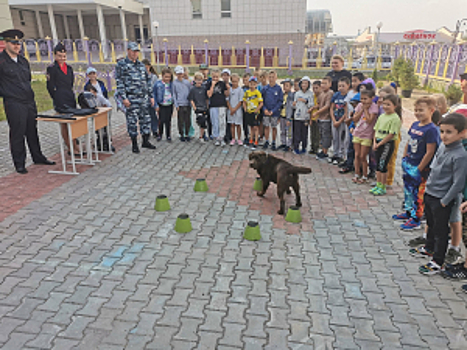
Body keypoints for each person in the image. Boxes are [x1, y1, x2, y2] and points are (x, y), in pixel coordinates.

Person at [411, 113, 467, 275]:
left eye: (449, 132)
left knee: (441, 231)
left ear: (462, 133)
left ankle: (438, 261)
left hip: (442, 199)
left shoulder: (461, 155)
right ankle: (429, 247)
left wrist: (445, 200)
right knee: (431, 223)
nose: (444, 136)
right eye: (442, 131)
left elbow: (458, 183)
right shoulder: (442, 147)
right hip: (430, 193)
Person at [0, 29, 55, 174]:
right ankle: (19, 163)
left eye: (18, 43)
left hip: (28, 101)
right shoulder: (1, 61)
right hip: (14, 102)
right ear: (5, 43)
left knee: (32, 130)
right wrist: (8, 93)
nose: (17, 45)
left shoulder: (23, 61)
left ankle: (38, 157)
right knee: (18, 132)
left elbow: (27, 80)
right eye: (13, 43)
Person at [392, 97, 439, 230]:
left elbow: (430, 152)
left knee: (418, 193)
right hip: (409, 163)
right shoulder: (414, 125)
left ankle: (416, 218)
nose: (418, 113)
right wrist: (404, 157)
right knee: (408, 190)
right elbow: (409, 141)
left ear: (431, 111)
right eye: (416, 110)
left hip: (420, 167)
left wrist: (419, 168)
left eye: (421, 110)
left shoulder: (431, 130)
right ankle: (408, 212)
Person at [116, 42, 155, 153]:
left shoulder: (141, 65)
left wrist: (151, 96)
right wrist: (124, 98)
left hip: (143, 98)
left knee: (146, 120)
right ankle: (134, 144)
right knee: (132, 122)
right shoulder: (121, 65)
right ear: (128, 50)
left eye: (136, 51)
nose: (135, 53)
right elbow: (120, 82)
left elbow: (147, 81)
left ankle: (145, 141)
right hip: (131, 98)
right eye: (133, 51)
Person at [47, 42, 79, 154]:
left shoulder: (69, 68)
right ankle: (70, 147)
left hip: (69, 97)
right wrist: (56, 98)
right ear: (55, 55)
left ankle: (75, 145)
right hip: (60, 98)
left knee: (73, 122)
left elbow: (71, 82)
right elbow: (50, 86)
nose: (62, 58)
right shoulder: (52, 68)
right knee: (64, 123)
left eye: (64, 56)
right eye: (60, 56)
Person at [370, 94, 402, 196]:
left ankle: (383, 186)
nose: (385, 106)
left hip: (387, 143)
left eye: (388, 104)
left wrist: (380, 143)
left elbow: (391, 134)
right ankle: (378, 184)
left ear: (395, 106)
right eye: (384, 104)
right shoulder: (382, 116)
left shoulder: (395, 118)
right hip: (378, 142)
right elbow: (375, 130)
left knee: (383, 165)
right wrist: (375, 142)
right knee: (378, 165)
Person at [339, 72, 365, 172]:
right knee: (350, 147)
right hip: (353, 126)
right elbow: (351, 111)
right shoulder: (353, 94)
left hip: (363, 130)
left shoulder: (365, 98)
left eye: (356, 81)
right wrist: (349, 121)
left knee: (360, 151)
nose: (354, 83)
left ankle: (360, 167)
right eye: (352, 81)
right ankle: (349, 164)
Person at [351, 89, 378, 184]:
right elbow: (354, 118)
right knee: (357, 155)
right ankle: (357, 173)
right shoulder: (359, 106)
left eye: (365, 99)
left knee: (363, 156)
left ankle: (365, 175)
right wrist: (361, 109)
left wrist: (366, 109)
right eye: (362, 99)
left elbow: (370, 120)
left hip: (367, 135)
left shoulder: (374, 107)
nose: (363, 101)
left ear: (372, 98)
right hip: (357, 133)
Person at [84, 67, 114, 152]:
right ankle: (100, 141)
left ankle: (108, 142)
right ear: (88, 75)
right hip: (95, 108)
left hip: (104, 106)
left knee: (107, 126)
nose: (93, 75)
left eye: (94, 73)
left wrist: (105, 104)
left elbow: (105, 95)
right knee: (98, 127)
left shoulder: (100, 83)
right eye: (90, 74)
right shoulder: (87, 86)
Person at [330, 77, 350, 165]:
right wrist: (334, 120)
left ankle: (341, 155)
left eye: (343, 86)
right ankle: (335, 154)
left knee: (342, 138)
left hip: (342, 121)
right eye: (339, 86)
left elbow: (346, 111)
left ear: (348, 86)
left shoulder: (348, 96)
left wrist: (339, 121)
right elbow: (331, 108)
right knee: (335, 137)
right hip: (335, 119)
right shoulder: (336, 95)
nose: (341, 87)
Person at [261, 70, 283, 151]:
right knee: (266, 126)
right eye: (270, 77)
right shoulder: (265, 88)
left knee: (274, 127)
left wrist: (273, 110)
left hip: (275, 112)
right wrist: (264, 109)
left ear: (276, 78)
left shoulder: (278, 89)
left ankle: (273, 142)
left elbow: (280, 101)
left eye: (273, 77)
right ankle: (266, 141)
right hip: (266, 111)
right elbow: (261, 100)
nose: (271, 79)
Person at [292, 76, 314, 155]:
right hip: (297, 116)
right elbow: (295, 105)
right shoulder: (297, 93)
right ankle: (296, 147)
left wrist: (306, 101)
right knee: (297, 133)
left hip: (305, 116)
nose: (304, 85)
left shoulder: (310, 94)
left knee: (304, 133)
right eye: (303, 83)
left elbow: (311, 105)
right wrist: (294, 104)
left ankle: (304, 147)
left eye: (306, 83)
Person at [207, 69, 229, 146]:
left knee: (222, 122)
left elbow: (227, 94)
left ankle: (222, 137)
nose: (215, 78)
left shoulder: (222, 84)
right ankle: (216, 137)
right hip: (213, 105)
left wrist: (227, 86)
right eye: (214, 77)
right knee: (215, 122)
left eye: (217, 77)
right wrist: (212, 85)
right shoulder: (209, 84)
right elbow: (209, 95)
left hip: (222, 105)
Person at [154, 67, 174, 142]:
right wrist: (155, 105)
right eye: (166, 77)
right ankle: (160, 134)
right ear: (162, 76)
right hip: (161, 104)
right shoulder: (158, 84)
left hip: (169, 104)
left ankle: (168, 135)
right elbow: (154, 94)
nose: (167, 78)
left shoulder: (171, 84)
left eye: (169, 77)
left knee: (168, 120)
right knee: (161, 120)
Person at [315, 76, 334, 160]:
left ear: (330, 84)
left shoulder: (330, 93)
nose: (323, 85)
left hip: (326, 118)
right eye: (322, 83)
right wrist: (313, 109)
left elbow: (327, 106)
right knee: (321, 134)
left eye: (325, 83)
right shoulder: (321, 93)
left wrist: (317, 113)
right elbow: (319, 104)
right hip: (320, 118)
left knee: (326, 135)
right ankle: (322, 150)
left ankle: (325, 152)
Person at [243, 76, 263, 150]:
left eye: (254, 84)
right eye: (251, 84)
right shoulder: (247, 92)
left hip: (255, 113)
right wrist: (245, 108)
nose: (252, 85)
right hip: (249, 112)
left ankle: (256, 141)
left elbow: (261, 103)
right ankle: (250, 141)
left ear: (256, 84)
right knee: (251, 127)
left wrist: (257, 109)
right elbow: (244, 101)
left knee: (255, 127)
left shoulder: (257, 93)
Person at [173, 65, 192, 142]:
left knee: (188, 120)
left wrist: (190, 102)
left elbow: (190, 92)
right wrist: (176, 104)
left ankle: (187, 134)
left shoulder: (187, 82)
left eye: (181, 73)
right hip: (180, 104)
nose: (180, 75)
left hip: (187, 104)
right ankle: (181, 134)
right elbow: (174, 94)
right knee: (180, 120)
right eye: (178, 74)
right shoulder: (174, 83)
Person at [188, 72, 209, 142]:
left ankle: (201, 136)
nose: (199, 81)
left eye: (200, 80)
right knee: (201, 121)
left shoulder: (204, 88)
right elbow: (191, 99)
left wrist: (207, 106)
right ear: (195, 80)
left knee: (203, 123)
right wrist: (195, 108)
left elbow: (206, 98)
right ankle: (201, 135)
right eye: (197, 80)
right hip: (198, 108)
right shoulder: (193, 89)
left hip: (204, 107)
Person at [141, 59, 159, 138]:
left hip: (152, 99)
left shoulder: (154, 77)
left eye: (147, 67)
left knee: (153, 115)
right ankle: (145, 132)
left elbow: (156, 88)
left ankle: (155, 130)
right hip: (143, 99)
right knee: (144, 117)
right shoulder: (140, 77)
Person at [227, 73, 243, 145]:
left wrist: (235, 109)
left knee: (238, 125)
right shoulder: (229, 89)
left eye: (235, 81)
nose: (234, 83)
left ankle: (239, 138)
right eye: (233, 81)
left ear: (238, 81)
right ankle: (233, 138)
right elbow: (227, 100)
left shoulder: (240, 90)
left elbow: (241, 101)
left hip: (238, 110)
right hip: (230, 110)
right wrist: (230, 108)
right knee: (232, 124)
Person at [279, 78, 294, 152]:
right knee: (282, 131)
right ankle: (283, 143)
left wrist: (290, 118)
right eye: (284, 85)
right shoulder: (282, 95)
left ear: (291, 86)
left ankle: (289, 145)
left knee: (289, 132)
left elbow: (292, 108)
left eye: (287, 85)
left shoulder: (292, 96)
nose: (285, 87)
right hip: (282, 115)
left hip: (288, 117)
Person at [308, 80, 321, 154]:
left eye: (317, 88)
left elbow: (320, 106)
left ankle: (316, 147)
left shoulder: (321, 96)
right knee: (312, 134)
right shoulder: (313, 97)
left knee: (317, 134)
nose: (315, 90)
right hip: (312, 117)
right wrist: (310, 119)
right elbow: (310, 107)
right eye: (313, 88)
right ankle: (312, 147)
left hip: (318, 118)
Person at [242, 72, 251, 144]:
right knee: (245, 123)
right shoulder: (242, 89)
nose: (245, 82)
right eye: (244, 80)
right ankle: (246, 136)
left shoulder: (253, 89)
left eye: (247, 80)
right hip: (244, 109)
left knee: (251, 124)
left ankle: (252, 136)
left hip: (251, 109)